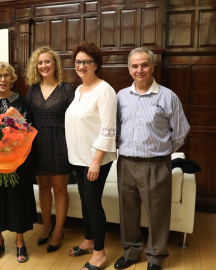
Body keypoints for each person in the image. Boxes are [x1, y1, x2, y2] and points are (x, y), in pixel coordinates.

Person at [113, 47, 190, 270]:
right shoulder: (121, 96)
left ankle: (155, 257)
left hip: (155, 164)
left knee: (157, 214)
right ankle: (131, 252)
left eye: (144, 65)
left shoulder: (167, 96)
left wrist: (162, 151)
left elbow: (180, 132)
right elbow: (116, 128)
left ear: (153, 67)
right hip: (126, 163)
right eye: (135, 66)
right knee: (127, 212)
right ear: (129, 69)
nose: (140, 70)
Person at [0, 61, 37, 263]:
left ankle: (20, 242)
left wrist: (12, 147)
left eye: (6, 75)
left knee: (17, 198)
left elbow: (27, 128)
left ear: (11, 78)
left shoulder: (21, 100)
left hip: (17, 160)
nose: (2, 79)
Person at [65, 41, 117, 270]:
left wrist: (96, 162)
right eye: (78, 61)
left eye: (86, 61)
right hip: (78, 157)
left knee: (93, 203)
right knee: (85, 201)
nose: (81, 66)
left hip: (95, 159)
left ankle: (100, 253)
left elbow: (108, 129)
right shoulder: (79, 89)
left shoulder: (105, 90)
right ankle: (88, 240)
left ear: (96, 64)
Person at [25, 46, 75, 252]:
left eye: (47, 61)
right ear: (35, 66)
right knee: (43, 188)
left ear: (55, 64)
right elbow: (26, 119)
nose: (44, 65)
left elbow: (75, 119)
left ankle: (58, 231)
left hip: (60, 142)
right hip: (37, 144)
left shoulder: (67, 88)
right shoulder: (32, 89)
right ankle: (46, 227)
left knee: (60, 189)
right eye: (40, 62)